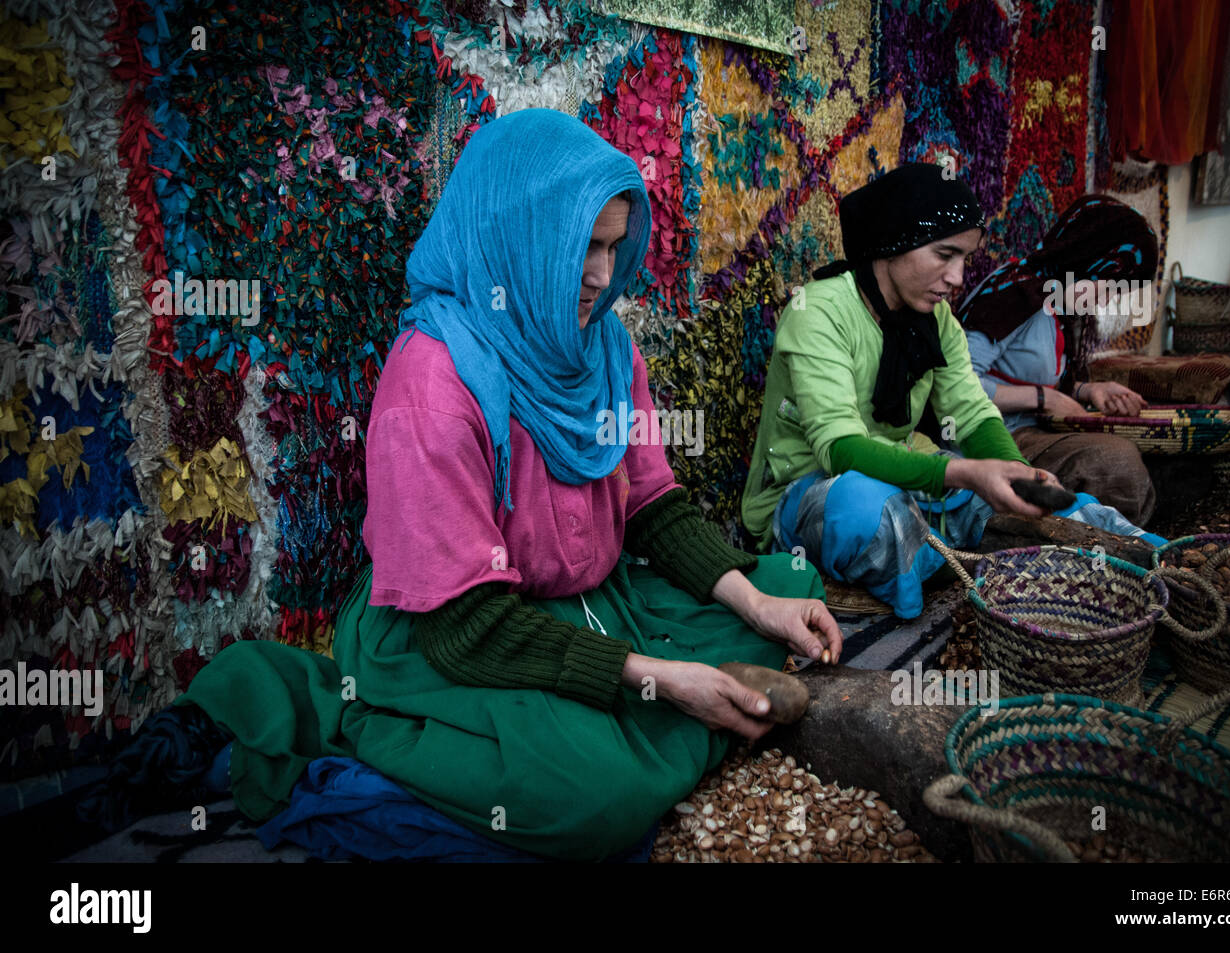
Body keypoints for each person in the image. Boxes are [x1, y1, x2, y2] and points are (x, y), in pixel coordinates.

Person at [168, 109, 843, 862]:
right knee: (593, 790)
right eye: (584, 247)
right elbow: (467, 626)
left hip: (595, 597)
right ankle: (363, 747)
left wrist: (758, 603)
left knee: (782, 587)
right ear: (517, 237)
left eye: (615, 247)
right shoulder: (431, 385)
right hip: (455, 633)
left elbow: (653, 505)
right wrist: (658, 679)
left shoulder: (605, 348)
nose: (600, 276)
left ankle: (674, 702)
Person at [740, 165, 1156, 621]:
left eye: (964, 259)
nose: (958, 277)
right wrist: (968, 474)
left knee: (1041, 507)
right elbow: (839, 450)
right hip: (811, 490)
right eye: (945, 255)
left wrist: (1016, 472)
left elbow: (973, 413)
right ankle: (941, 561)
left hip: (905, 477)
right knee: (865, 509)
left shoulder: (935, 322)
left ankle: (1155, 563)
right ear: (893, 243)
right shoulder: (818, 311)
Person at [956, 194, 1159, 526]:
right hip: (988, 439)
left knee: (1146, 454)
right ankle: (1106, 549)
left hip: (1032, 431)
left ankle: (1109, 538)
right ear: (1089, 260)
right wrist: (1043, 399)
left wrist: (1087, 391)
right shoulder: (1014, 294)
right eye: (1110, 287)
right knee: (1116, 462)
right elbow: (954, 382)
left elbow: (1033, 372)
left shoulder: (1058, 306)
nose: (1107, 302)